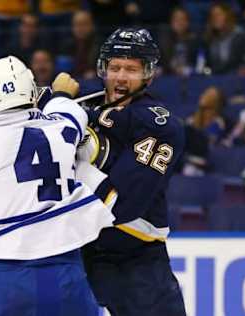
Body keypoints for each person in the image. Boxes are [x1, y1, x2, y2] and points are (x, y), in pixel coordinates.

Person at [0, 55, 115, 316]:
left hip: (2, 270)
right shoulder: (64, 123)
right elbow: (68, 108)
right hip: (64, 271)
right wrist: (59, 93)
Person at [79, 28, 187, 316]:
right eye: (114, 67)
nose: (121, 77)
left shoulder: (160, 125)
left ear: (148, 75)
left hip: (136, 259)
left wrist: (78, 168)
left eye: (131, 69)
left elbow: (121, 206)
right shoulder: (77, 109)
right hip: (76, 254)